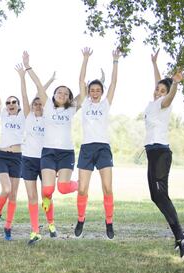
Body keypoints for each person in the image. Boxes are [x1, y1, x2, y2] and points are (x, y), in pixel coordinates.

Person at [23, 51, 80, 238]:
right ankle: (44, 221)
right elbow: (38, 84)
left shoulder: (72, 109)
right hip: (47, 152)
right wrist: (28, 66)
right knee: (47, 190)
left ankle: (80, 184)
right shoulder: (46, 106)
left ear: (69, 97)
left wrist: (86, 63)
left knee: (63, 188)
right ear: (54, 95)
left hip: (66, 153)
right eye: (59, 92)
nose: (62, 94)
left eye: (66, 93)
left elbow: (85, 92)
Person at [144, 49, 184, 258]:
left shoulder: (164, 103)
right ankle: (179, 234)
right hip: (152, 153)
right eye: (157, 89)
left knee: (160, 194)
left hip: (161, 152)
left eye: (162, 90)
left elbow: (169, 94)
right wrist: (154, 63)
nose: (158, 91)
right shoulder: (153, 102)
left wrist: (175, 83)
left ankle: (181, 235)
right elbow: (159, 83)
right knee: (156, 195)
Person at [74, 47, 120, 240]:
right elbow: (80, 80)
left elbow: (114, 83)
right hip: (86, 148)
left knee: (107, 188)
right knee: (83, 188)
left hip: (103, 148)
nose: (94, 92)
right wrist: (85, 58)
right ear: (88, 92)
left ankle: (109, 222)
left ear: (101, 92)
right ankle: (81, 219)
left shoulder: (105, 104)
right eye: (91, 90)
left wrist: (115, 61)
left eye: (97, 90)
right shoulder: (84, 103)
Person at [0, 64, 25, 241]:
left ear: (19, 105)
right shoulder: (4, 114)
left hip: (17, 157)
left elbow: (26, 96)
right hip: (1, 156)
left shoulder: (24, 116)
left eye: (13, 102)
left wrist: (23, 75)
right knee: (6, 189)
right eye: (8, 102)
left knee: (14, 195)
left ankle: (8, 227)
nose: (10, 104)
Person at [17, 61, 56, 245]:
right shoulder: (28, 115)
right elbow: (25, 95)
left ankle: (51, 224)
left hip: (46, 160)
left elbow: (41, 92)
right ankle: (34, 231)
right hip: (28, 160)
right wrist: (22, 77)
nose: (37, 105)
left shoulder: (48, 117)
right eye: (35, 103)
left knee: (46, 195)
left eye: (41, 103)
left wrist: (49, 81)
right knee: (32, 196)